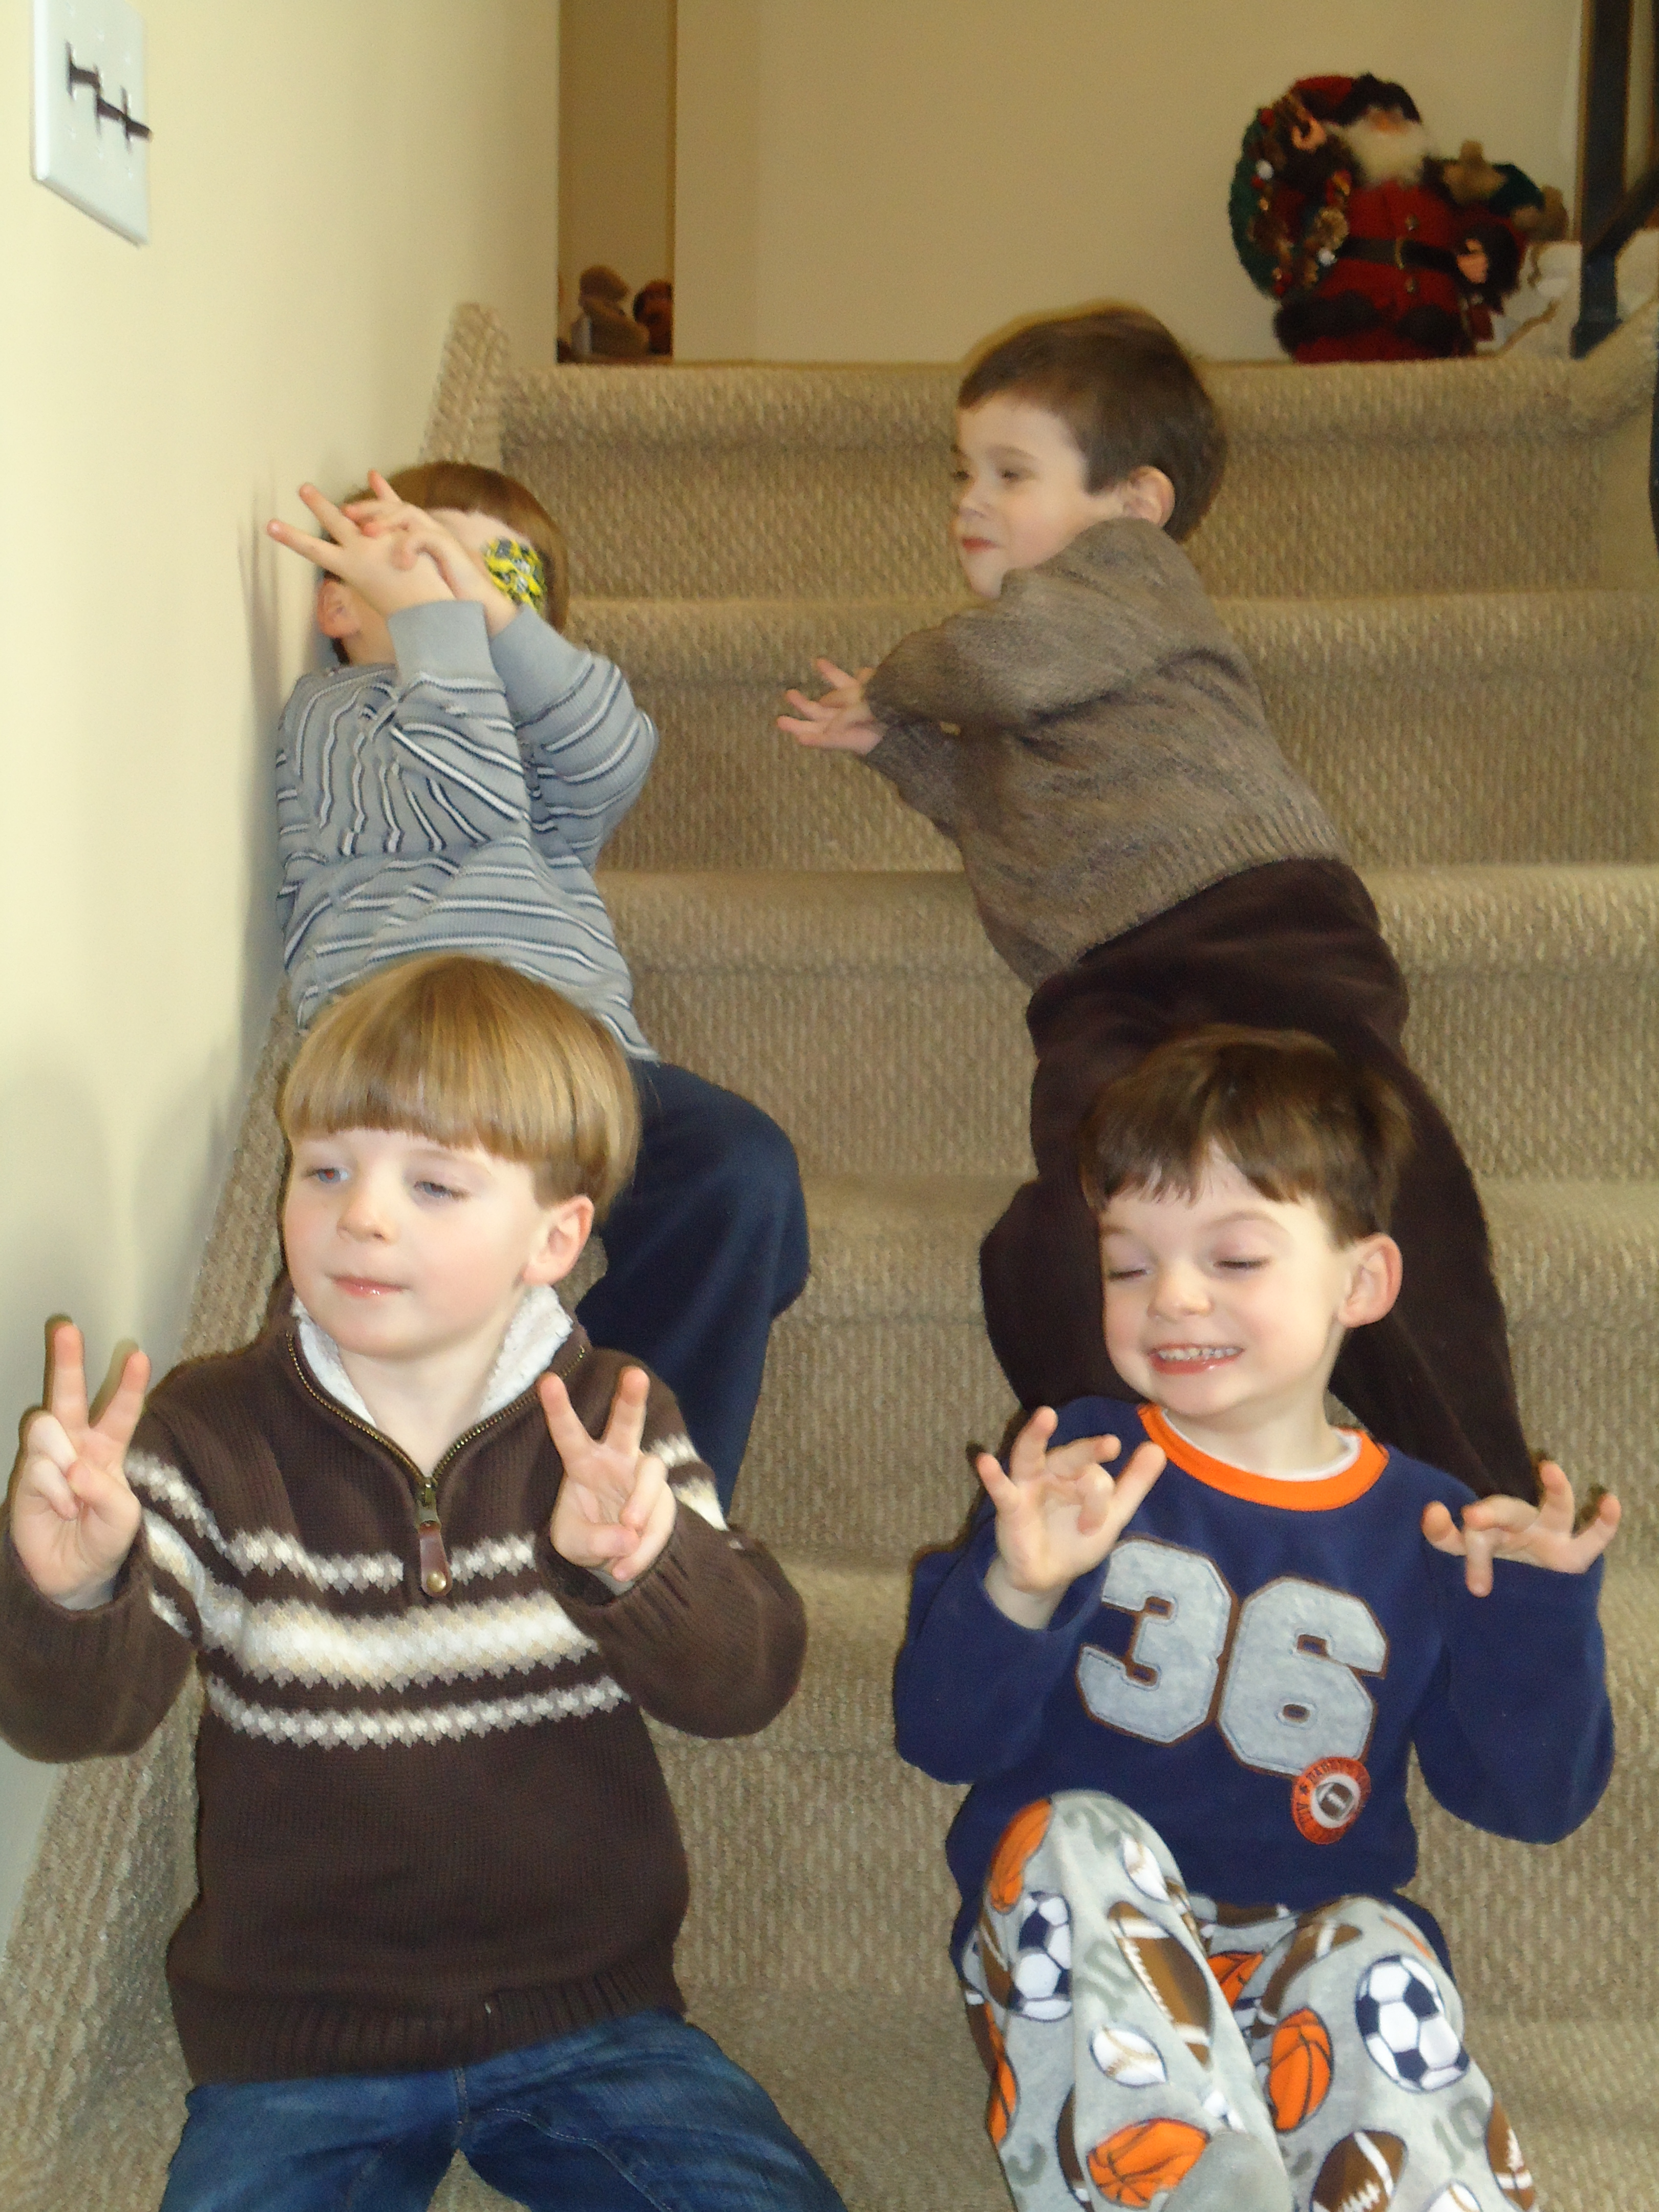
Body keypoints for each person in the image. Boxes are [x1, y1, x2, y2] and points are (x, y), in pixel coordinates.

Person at [0, 953, 845, 2212]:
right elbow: (80, 1722)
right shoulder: (206, 1434)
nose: (365, 1216)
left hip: (594, 2022)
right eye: (326, 1169)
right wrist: (73, 1590)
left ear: (555, 1238)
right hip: (298, 2046)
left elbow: (747, 1688)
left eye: (434, 1184)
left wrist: (649, 1564)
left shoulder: (614, 1424)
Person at [779, 305, 1534, 1501]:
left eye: (1011, 472)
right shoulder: (1037, 671)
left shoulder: (1124, 578)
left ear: (1136, 500)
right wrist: (893, 746)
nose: (970, 500)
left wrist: (898, 683)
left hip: (1256, 918)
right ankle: (1126, 1491)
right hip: (1096, 986)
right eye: (962, 472)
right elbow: (994, 807)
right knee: (1076, 1217)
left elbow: (999, 664)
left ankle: (1478, 1492)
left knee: (1373, 1174)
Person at [892, 1026, 1618, 2212]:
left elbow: (1531, 1804)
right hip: (1087, 1962)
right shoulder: (1083, 1471)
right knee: (1073, 1833)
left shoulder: (1430, 1527)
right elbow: (941, 1737)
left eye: (1234, 1258)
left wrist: (1536, 1617)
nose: (1173, 1298)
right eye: (1130, 1266)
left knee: (1379, 1944)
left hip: (1298, 1972)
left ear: (1361, 1284)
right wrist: (1019, 1590)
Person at [270, 460, 807, 1511]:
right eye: (418, 559)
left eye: (491, 581)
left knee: (742, 1173)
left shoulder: (523, 742)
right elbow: (462, 803)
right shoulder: (336, 718)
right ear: (341, 604)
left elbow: (616, 754)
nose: (451, 594)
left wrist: (493, 624)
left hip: (577, 1061)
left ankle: (641, 1486)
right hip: (422, 1059)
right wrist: (436, 627)